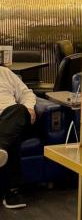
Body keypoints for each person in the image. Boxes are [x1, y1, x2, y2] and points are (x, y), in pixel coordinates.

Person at [0, 65, 36, 210]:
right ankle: (12, 191)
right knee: (10, 133)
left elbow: (27, 93)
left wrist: (29, 107)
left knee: (18, 111)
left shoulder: (4, 72)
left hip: (13, 116)